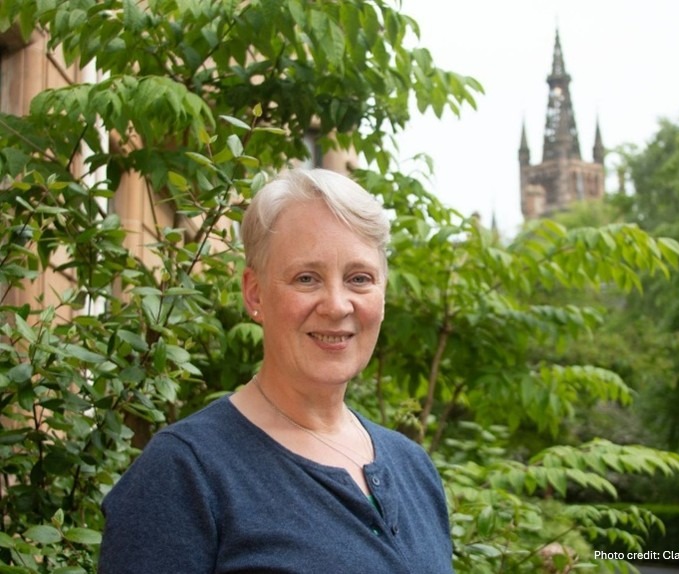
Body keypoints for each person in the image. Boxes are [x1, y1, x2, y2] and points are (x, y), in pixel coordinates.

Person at [99, 168, 454, 573]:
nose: (337, 305)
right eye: (307, 278)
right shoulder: (184, 475)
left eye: (359, 278)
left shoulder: (413, 468)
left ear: (383, 295)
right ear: (255, 293)